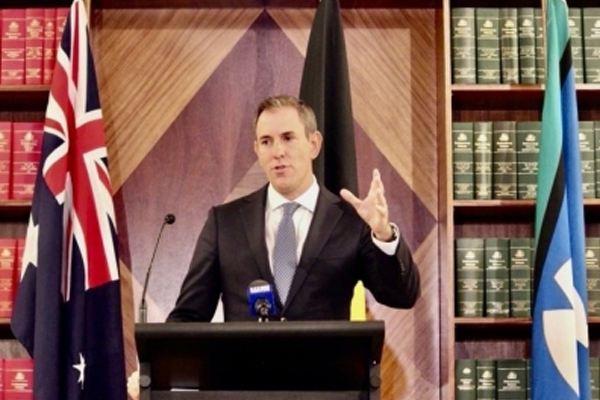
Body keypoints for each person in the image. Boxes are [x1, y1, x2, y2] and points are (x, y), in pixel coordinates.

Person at [167, 95, 420, 322]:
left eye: (288, 138)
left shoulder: (351, 222)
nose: (278, 151)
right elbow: (188, 316)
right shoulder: (225, 223)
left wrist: (384, 235)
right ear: (257, 150)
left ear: (314, 144)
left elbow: (402, 296)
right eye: (266, 141)